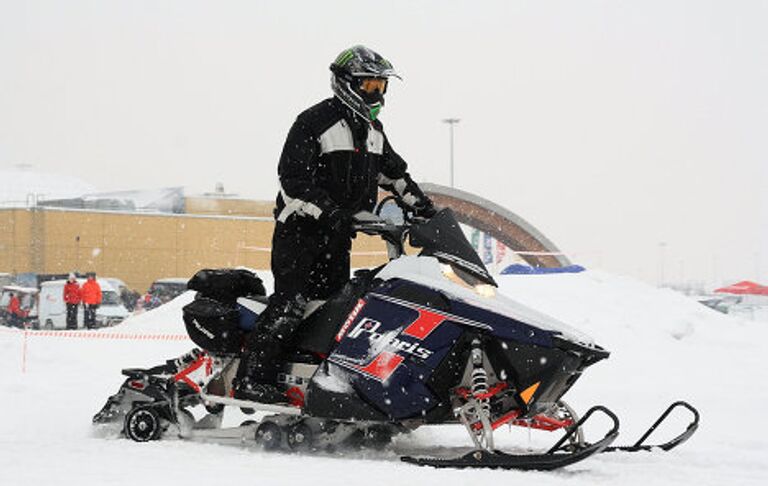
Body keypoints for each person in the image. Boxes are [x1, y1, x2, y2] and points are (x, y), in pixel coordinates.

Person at [235, 45, 436, 403]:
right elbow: (293, 180)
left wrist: (423, 208)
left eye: (381, 87)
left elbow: (395, 175)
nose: (377, 94)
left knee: (337, 311)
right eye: (370, 86)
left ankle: (321, 383)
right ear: (347, 84)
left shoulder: (374, 130)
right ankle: (253, 378)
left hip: (338, 237)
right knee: (292, 304)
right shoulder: (314, 122)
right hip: (300, 233)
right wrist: (330, 211)